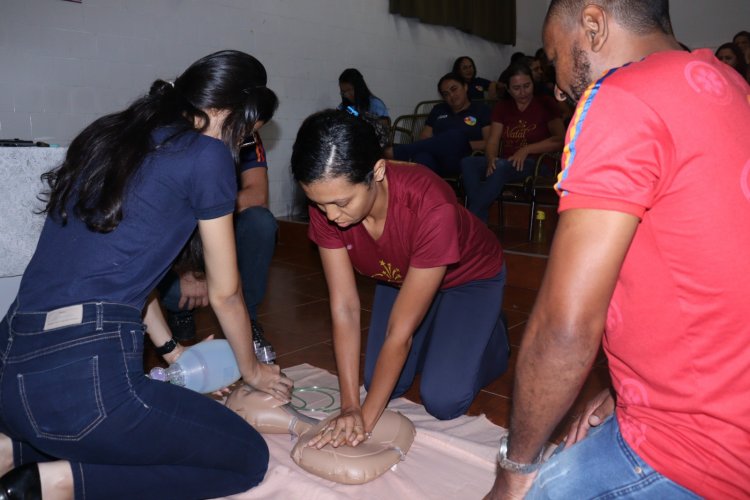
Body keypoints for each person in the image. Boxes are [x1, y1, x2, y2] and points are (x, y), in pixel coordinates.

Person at [0, 50, 294, 500]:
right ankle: (53, 483)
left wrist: (173, 352)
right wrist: (252, 371)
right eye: (248, 135)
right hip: (81, 389)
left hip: (10, 365)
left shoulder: (113, 135)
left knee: (97, 429)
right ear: (234, 114)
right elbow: (226, 293)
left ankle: (12, 450)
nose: (243, 147)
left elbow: (128, 276)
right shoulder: (207, 155)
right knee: (246, 456)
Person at [485, 1, 750, 499]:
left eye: (555, 55)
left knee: (541, 486)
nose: (558, 86)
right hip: (729, 403)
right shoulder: (729, 83)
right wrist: (622, 389)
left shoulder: (619, 97)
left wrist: (514, 469)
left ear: (592, 23)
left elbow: (564, 328)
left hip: (702, 450)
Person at [291, 110, 509, 449]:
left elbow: (399, 334)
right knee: (383, 383)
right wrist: (349, 404)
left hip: (468, 279)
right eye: (318, 205)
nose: (331, 216)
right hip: (399, 278)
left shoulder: (430, 205)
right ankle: (441, 330)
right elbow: (346, 308)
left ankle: (493, 336)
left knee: (443, 399)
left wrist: (363, 421)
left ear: (377, 171)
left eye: (341, 202)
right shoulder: (326, 206)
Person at [157, 128, 278, 353]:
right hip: (182, 245)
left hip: (220, 229)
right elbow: (164, 214)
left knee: (260, 222)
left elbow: (257, 195)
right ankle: (180, 313)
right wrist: (188, 272)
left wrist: (212, 209)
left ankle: (247, 319)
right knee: (176, 296)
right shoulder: (177, 137)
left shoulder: (248, 135)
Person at [460, 62, 565, 223]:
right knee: (469, 163)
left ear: (533, 84)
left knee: (501, 167)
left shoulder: (546, 103)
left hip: (537, 163)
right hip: (507, 163)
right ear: (508, 89)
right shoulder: (503, 107)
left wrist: (527, 149)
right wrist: (490, 159)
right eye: (516, 88)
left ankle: (472, 219)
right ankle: (479, 218)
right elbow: (493, 140)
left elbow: (560, 139)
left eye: (527, 86)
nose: (523, 92)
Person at [385, 72, 491, 177]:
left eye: (454, 89)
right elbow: (425, 137)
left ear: (465, 86)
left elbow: (489, 142)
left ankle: (399, 152)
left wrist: (459, 144)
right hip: (437, 160)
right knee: (422, 158)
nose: (451, 96)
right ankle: (424, 193)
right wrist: (441, 144)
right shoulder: (439, 109)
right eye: (446, 94)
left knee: (455, 137)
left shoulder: (481, 110)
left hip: (464, 158)